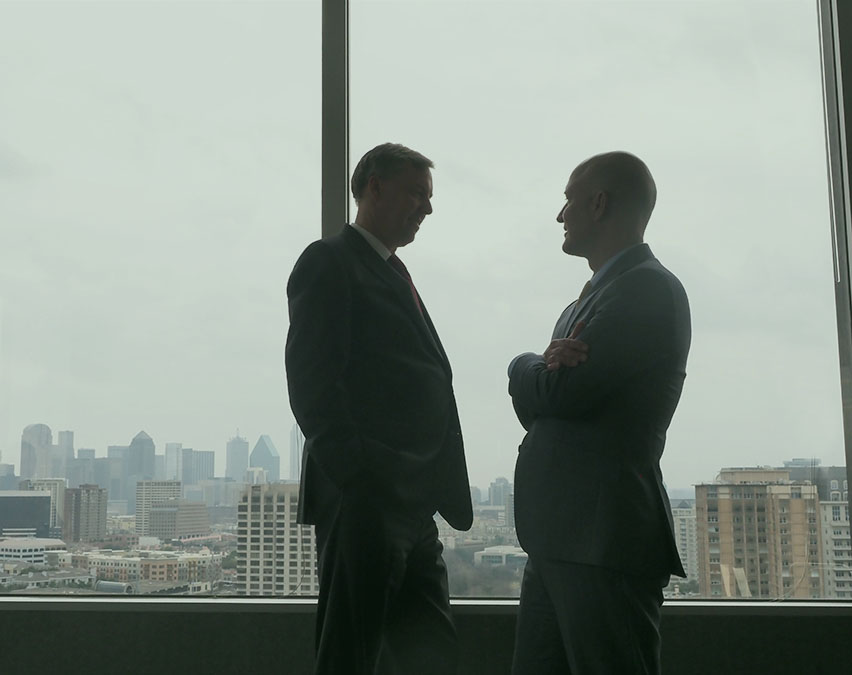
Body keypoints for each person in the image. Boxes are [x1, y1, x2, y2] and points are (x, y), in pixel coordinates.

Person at [285, 142, 473, 674]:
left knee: (430, 651)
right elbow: (311, 383)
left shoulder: (392, 271)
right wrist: (362, 479)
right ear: (374, 188)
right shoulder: (329, 262)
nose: (427, 209)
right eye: (417, 193)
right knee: (351, 652)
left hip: (410, 503)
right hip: (367, 501)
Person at [507, 151, 691, 674]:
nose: (560, 215)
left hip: (603, 543)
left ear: (600, 203)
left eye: (568, 200)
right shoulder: (586, 302)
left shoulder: (649, 289)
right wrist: (543, 374)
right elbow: (545, 411)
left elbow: (561, 396)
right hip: (563, 541)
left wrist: (520, 364)